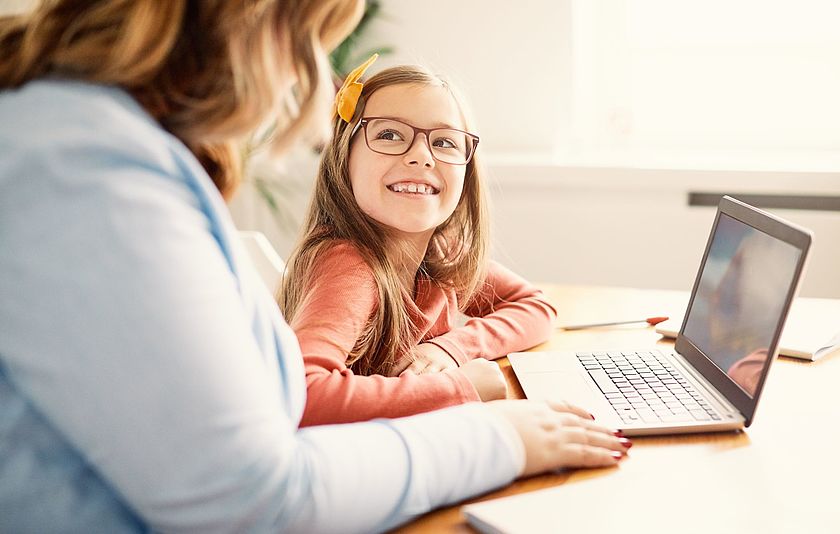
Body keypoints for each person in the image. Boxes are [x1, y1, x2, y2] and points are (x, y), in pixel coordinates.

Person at [0, 1, 630, 532]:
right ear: (241, 19)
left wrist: (459, 351)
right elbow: (253, 495)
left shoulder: (102, 150)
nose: (306, 80)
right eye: (306, 36)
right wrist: (499, 432)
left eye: (443, 142)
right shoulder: (83, 169)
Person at [280, 60, 559, 427]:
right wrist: (459, 387)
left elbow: (536, 307)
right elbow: (303, 395)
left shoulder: (438, 253)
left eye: (444, 142)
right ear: (343, 158)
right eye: (390, 135)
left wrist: (453, 347)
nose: (420, 156)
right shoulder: (349, 264)